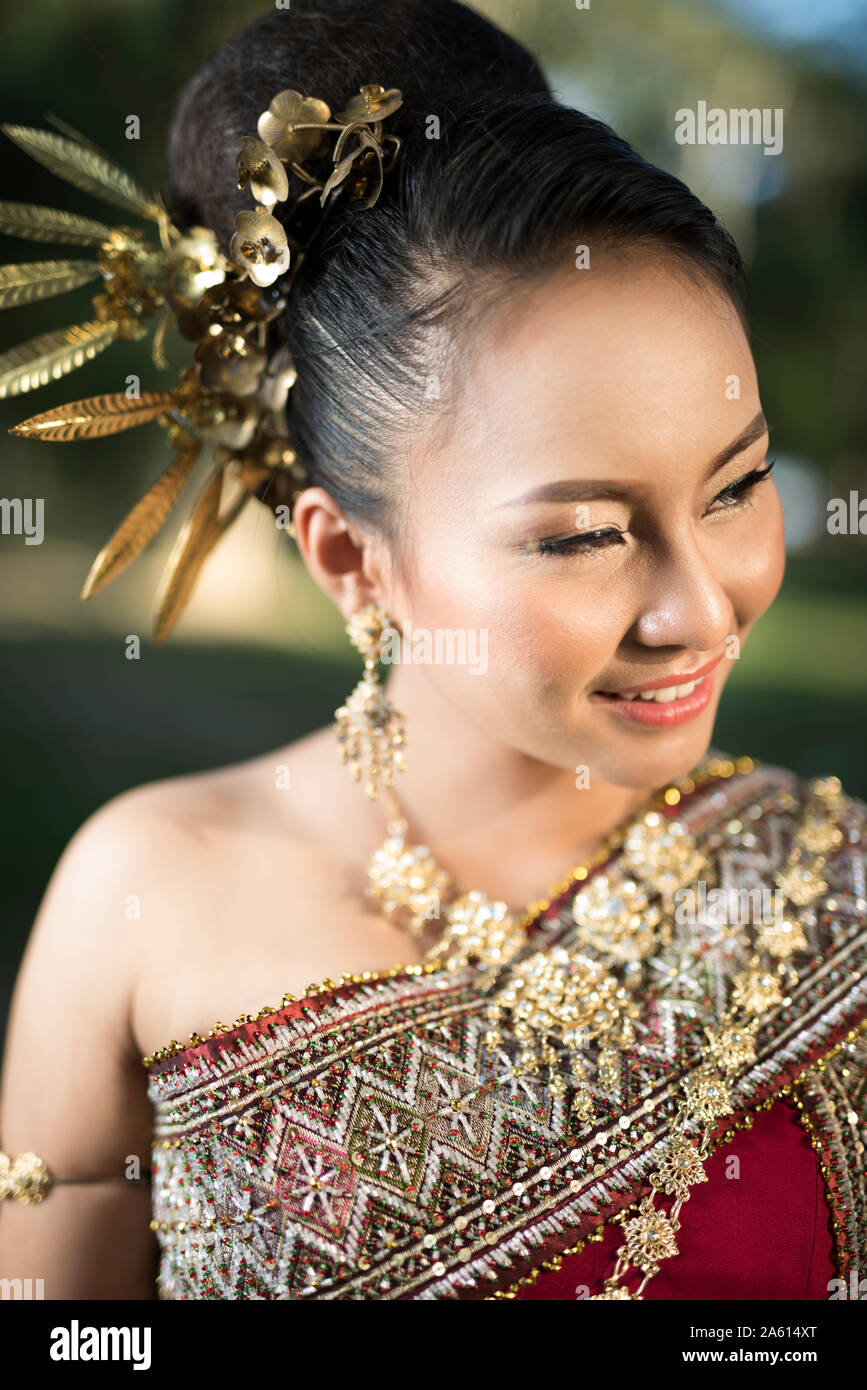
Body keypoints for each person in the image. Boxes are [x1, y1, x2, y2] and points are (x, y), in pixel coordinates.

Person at [0, 0, 864, 1301]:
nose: (703, 607)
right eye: (582, 537)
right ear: (352, 559)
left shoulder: (830, 896)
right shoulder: (147, 902)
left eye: (737, 489)